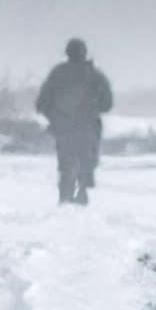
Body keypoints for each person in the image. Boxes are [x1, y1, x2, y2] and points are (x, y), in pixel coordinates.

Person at [36, 39, 114, 204]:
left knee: (66, 166)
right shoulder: (94, 75)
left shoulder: (58, 73)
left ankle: (66, 200)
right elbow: (107, 103)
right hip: (87, 128)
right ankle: (82, 191)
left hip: (65, 129)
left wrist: (55, 118)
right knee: (87, 162)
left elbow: (42, 103)